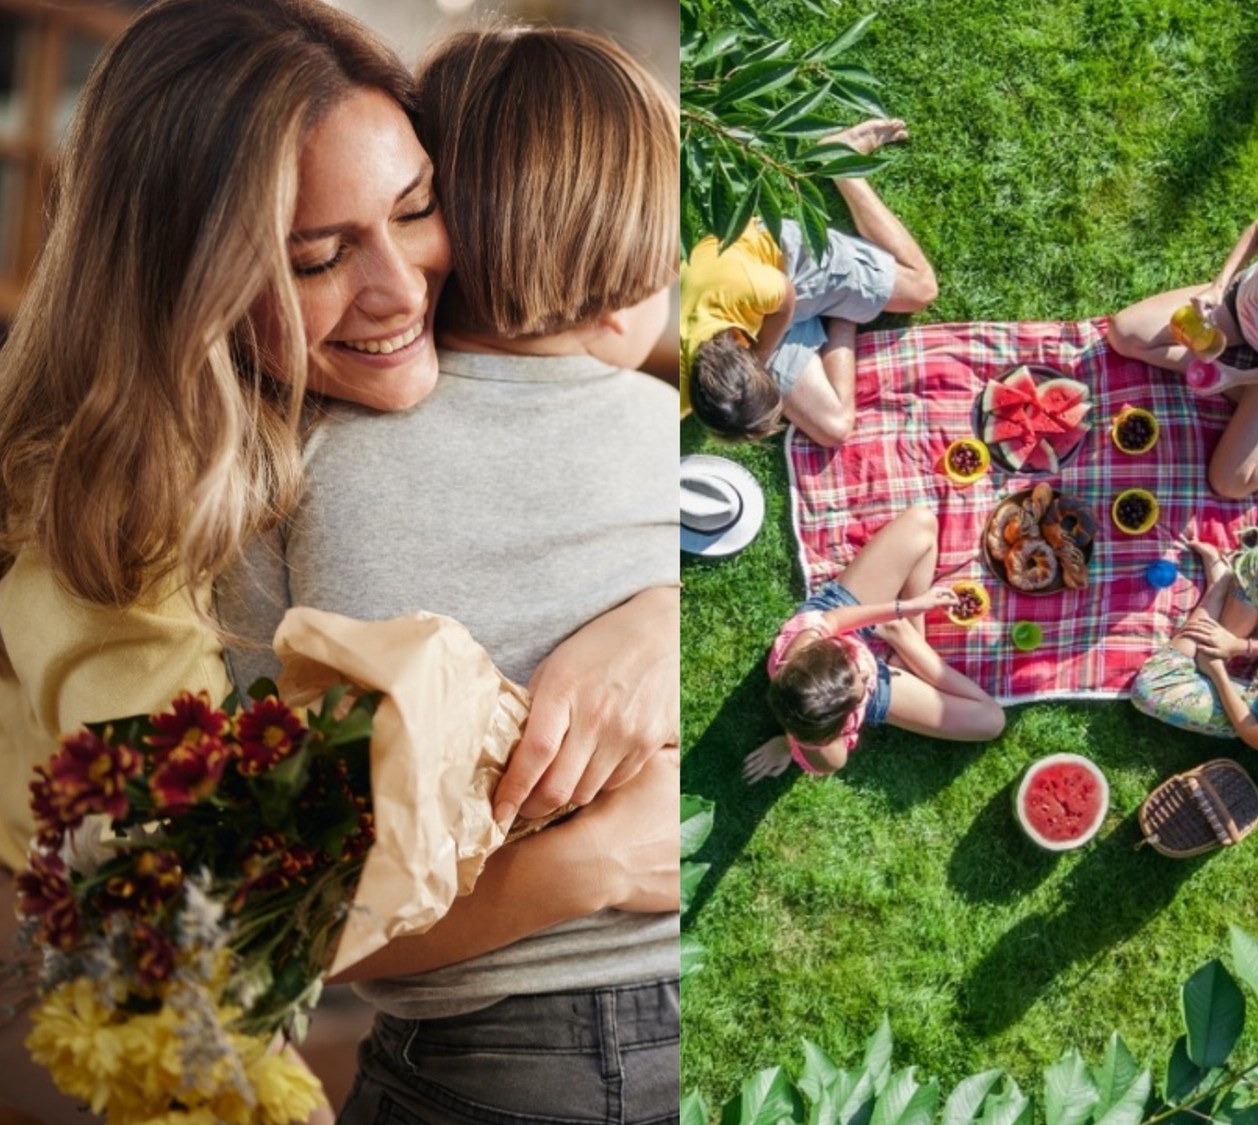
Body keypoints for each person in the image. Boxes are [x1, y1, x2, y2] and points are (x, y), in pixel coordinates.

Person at [0, 2, 676, 1118]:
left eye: (417, 208)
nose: (402, 291)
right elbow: (231, 956)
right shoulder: (132, 557)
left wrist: (655, 613)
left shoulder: (342, 427)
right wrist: (590, 865)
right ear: (194, 292)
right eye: (318, 259)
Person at [213, 23, 679, 1121]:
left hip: (471, 1048)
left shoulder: (286, 468)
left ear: (454, 219)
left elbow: (273, 895)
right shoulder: (666, 437)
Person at [682, 118, 937, 447]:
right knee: (835, 429)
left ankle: (841, 161)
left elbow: (786, 298)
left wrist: (762, 352)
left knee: (920, 289)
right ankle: (845, 308)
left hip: (786, 268)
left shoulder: (742, 285)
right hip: (752, 331)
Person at [744, 505, 1005, 780]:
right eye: (862, 685)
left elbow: (837, 619)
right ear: (840, 726)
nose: (866, 670)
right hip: (834, 697)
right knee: (991, 721)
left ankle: (901, 635)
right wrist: (789, 743)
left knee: (922, 523)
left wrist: (906, 608)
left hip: (845, 621)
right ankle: (903, 639)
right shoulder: (829, 753)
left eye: (854, 667)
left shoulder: (803, 641)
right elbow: (818, 741)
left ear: (821, 648)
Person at [1107, 216, 1258, 499]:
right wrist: (1218, 287)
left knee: (1229, 482)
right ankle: (1244, 396)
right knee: (1124, 333)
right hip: (1238, 308)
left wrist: (1242, 376)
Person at [1129, 534, 1258, 757]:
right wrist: (1238, 645)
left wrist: (1218, 674)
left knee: (1149, 690)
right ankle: (1213, 635)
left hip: (1254, 705)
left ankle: (1217, 591)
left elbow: (1249, 729)